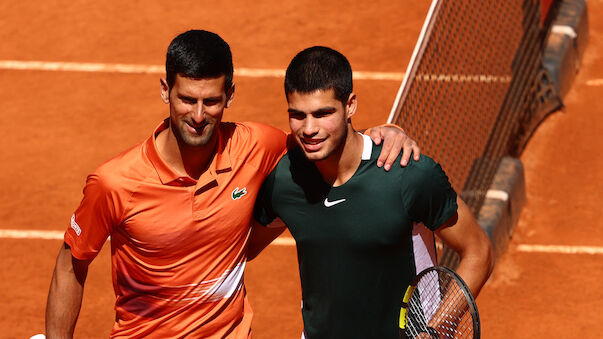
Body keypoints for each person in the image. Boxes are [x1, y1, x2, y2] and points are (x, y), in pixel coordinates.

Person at [44, 30, 420, 338]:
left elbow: (324, 143)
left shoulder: (256, 146)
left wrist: (383, 134)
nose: (197, 115)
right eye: (186, 99)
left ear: (230, 96)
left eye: (210, 101)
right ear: (165, 91)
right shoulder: (114, 183)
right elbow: (70, 264)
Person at [251, 46, 494, 338]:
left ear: (350, 105)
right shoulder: (286, 179)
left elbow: (478, 251)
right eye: (297, 116)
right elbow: (242, 247)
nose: (309, 129)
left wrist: (436, 330)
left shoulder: (407, 175)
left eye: (323, 113)